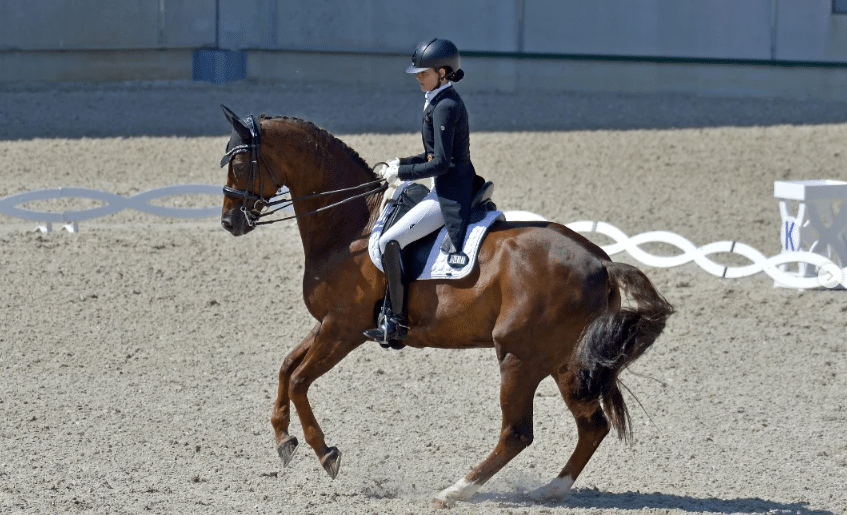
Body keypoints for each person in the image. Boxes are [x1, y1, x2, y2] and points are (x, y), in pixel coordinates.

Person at [364, 38, 481, 346]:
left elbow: (441, 164)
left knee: (389, 241)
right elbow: (430, 154)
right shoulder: (438, 99)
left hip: (447, 194)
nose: (417, 76)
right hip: (442, 184)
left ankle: (397, 323)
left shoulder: (445, 106)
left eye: (423, 71)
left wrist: (401, 174)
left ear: (442, 72)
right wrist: (399, 162)